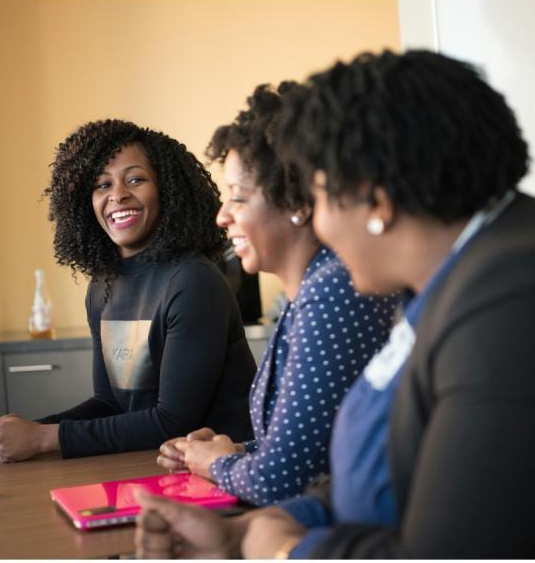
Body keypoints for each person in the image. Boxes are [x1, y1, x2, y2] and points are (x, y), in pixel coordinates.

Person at [133, 50, 535, 558]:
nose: (318, 225)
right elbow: (395, 474)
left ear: (376, 201)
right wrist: (240, 531)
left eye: (320, 198)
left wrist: (286, 550)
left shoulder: (527, 298)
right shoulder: (466, 273)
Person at [155, 82, 399, 506]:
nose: (222, 215)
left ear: (296, 202)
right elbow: (311, 451)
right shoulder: (309, 290)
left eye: (238, 197)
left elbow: (280, 482)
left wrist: (215, 465)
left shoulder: (332, 291)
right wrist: (228, 453)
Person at [0, 119, 256, 462]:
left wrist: (42, 438)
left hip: (220, 476)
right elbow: (110, 403)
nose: (117, 195)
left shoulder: (192, 280)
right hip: (144, 464)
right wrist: (29, 429)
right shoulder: (103, 285)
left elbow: (172, 420)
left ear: (167, 190)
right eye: (102, 185)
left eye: (136, 179)